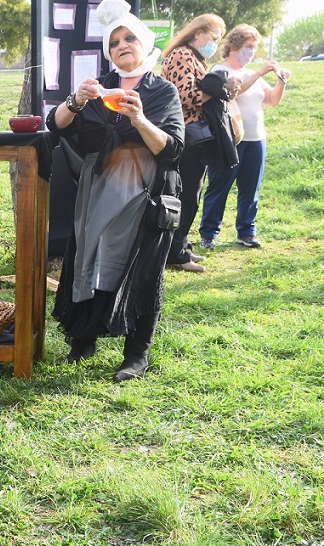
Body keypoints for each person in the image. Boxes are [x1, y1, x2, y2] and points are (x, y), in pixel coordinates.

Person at [45, 0, 185, 382]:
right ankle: (82, 339)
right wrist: (75, 100)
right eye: (114, 42)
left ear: (144, 42)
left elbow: (172, 149)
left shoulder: (161, 92)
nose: (122, 45)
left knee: (139, 270)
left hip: (144, 196)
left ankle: (135, 354)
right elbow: (55, 125)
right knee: (87, 260)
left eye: (130, 39)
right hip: (95, 193)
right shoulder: (99, 89)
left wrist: (138, 118)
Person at [160, 14, 240, 272]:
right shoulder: (183, 54)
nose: (215, 43)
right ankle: (176, 254)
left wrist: (224, 90)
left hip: (195, 136)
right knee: (185, 195)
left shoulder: (195, 57)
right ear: (197, 33)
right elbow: (187, 96)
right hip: (186, 135)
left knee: (192, 195)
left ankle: (182, 248)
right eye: (213, 37)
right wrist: (220, 89)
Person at [199, 25, 290, 250]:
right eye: (248, 47)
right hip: (229, 140)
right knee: (219, 187)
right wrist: (259, 72)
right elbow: (231, 93)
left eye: (254, 47)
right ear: (233, 47)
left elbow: (271, 100)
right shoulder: (221, 70)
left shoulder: (252, 75)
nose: (251, 52)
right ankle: (209, 233)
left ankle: (247, 231)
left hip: (256, 139)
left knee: (251, 188)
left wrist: (281, 82)